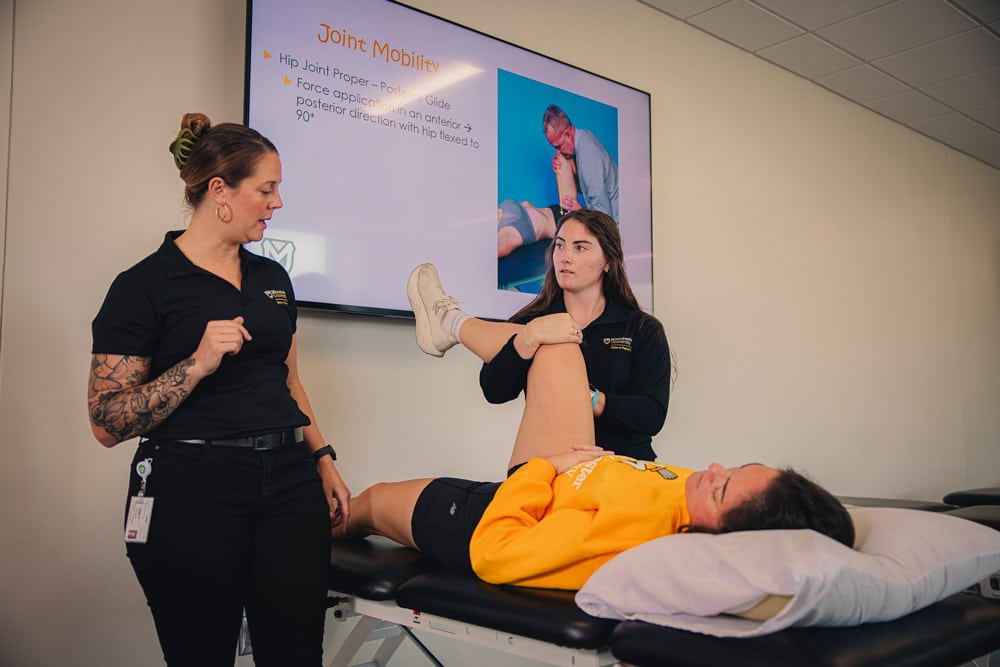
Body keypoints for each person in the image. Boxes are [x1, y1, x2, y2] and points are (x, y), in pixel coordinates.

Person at [88, 113, 349, 666]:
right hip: (192, 492)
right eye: (266, 189)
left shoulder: (273, 279)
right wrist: (197, 364)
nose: (277, 203)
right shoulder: (143, 286)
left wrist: (323, 460)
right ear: (219, 191)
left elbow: (289, 380)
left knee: (297, 655)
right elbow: (105, 421)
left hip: (289, 483)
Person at [338, 340, 854, 591]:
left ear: (721, 537)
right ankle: (449, 324)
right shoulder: (691, 497)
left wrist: (547, 467)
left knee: (364, 506)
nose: (713, 469)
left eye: (721, 491)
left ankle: (298, 530)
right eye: (733, 468)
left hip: (489, 515)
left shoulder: (636, 541)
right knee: (559, 345)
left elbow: (495, 555)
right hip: (558, 477)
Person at [409, 208, 670, 466]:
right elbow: (494, 390)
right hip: (553, 462)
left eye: (580, 248)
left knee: (560, 342)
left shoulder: (641, 329)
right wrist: (528, 339)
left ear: (608, 262)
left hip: (621, 466)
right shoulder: (532, 322)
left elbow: (651, 416)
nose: (565, 257)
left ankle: (450, 321)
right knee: (542, 334)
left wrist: (587, 397)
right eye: (559, 246)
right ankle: (449, 321)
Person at [544, 104, 619, 221]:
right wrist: (569, 167)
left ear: (568, 134)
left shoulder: (589, 156)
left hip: (615, 227)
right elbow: (587, 185)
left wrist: (579, 211)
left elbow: (605, 217)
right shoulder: (584, 136)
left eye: (558, 146)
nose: (557, 152)